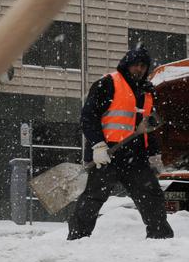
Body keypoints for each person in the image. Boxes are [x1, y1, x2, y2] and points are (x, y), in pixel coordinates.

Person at [67, 46, 174, 240]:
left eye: (143, 66)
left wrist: (154, 153)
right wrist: (97, 145)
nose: (139, 70)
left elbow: (148, 128)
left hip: (136, 157)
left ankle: (161, 238)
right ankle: (78, 238)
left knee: (151, 195)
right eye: (136, 65)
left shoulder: (147, 93)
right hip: (107, 154)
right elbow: (88, 117)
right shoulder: (107, 84)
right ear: (127, 65)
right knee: (93, 198)